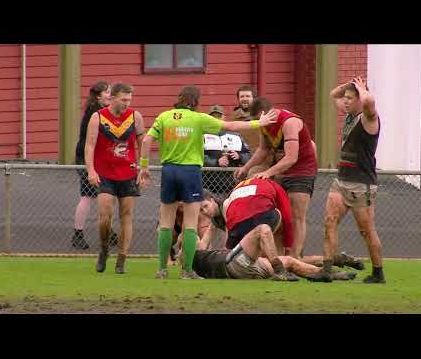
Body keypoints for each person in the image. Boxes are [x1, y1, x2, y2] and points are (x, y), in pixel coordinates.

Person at [137, 85, 278, 279]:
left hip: (169, 171)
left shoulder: (164, 117)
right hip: (190, 171)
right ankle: (187, 271)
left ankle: (162, 269)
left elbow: (145, 141)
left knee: (166, 223)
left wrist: (144, 166)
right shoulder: (198, 118)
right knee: (189, 224)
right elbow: (231, 126)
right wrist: (258, 123)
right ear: (195, 102)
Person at [190, 188, 357, 281]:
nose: (205, 212)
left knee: (288, 258)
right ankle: (333, 264)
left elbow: (229, 240)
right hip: (242, 256)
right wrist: (192, 248)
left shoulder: (227, 205)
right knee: (287, 256)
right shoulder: (214, 220)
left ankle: (332, 268)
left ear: (212, 199)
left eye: (205, 206)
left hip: (245, 247)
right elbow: (204, 243)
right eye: (201, 210)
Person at [310, 77, 385, 284]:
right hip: (341, 181)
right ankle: (327, 269)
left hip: (362, 184)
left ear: (360, 99)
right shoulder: (349, 115)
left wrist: (362, 89)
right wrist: (347, 87)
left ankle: (378, 273)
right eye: (346, 98)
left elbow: (370, 102)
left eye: (351, 98)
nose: (345, 101)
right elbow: (334, 94)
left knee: (366, 230)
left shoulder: (368, 118)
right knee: (329, 221)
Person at [234, 98, 318, 259]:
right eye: (257, 122)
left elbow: (292, 157)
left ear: (268, 113)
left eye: (260, 120)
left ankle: (294, 257)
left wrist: (268, 172)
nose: (260, 124)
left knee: (296, 216)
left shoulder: (289, 122)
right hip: (282, 171)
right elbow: (263, 149)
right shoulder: (264, 125)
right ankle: (280, 257)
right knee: (279, 215)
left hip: (302, 171)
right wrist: (245, 168)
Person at [85, 83, 145, 274]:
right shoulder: (98, 117)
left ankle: (121, 260)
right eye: (123, 100)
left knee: (126, 216)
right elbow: (89, 146)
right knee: (105, 216)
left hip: (128, 173)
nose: (127, 103)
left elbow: (142, 143)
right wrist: (91, 171)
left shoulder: (136, 117)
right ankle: (103, 250)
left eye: (129, 100)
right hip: (105, 173)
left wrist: (143, 167)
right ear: (113, 98)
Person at [72, 81, 118, 250]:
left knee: (105, 195)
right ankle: (78, 234)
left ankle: (109, 231)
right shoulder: (96, 113)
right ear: (99, 95)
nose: (110, 95)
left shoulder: (100, 110)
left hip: (99, 158)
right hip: (87, 158)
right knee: (88, 196)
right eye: (107, 92)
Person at [202, 104, 251, 194]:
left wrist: (239, 156)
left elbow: (248, 157)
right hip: (207, 184)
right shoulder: (202, 135)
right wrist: (216, 162)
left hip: (232, 184)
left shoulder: (235, 135)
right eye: (213, 117)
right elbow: (197, 156)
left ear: (224, 117)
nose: (216, 119)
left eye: (219, 116)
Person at [227, 85, 273, 176]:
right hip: (242, 159)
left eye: (248, 96)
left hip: (264, 159)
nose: (244, 99)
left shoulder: (262, 116)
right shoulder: (233, 118)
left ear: (254, 98)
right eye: (242, 96)